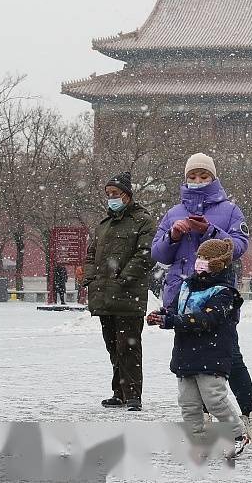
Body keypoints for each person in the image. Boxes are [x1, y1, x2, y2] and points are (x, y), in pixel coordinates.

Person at [151, 153, 252, 445]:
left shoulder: (229, 210)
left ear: (214, 178)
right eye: (193, 176)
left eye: (204, 176)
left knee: (231, 356)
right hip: (183, 293)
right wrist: (174, 237)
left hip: (217, 293)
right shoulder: (174, 212)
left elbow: (239, 246)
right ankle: (201, 420)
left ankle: (249, 416)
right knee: (189, 356)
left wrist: (210, 231)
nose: (198, 181)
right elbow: (158, 254)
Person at [147, 239, 250, 459]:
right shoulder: (187, 286)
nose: (200, 262)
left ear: (219, 263)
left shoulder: (225, 293)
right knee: (188, 402)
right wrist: (161, 316)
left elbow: (207, 319)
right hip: (185, 353)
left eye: (206, 258)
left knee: (214, 398)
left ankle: (237, 435)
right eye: (199, 257)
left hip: (212, 353)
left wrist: (173, 321)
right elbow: (175, 309)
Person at [83, 171, 156, 412]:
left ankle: (133, 395)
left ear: (127, 195)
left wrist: (125, 277)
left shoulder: (142, 221)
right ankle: (119, 392)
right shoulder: (103, 225)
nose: (111, 198)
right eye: (108, 194)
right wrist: (91, 277)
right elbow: (91, 255)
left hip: (128, 295)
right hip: (104, 295)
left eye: (115, 193)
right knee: (113, 346)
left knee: (129, 346)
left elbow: (146, 254)